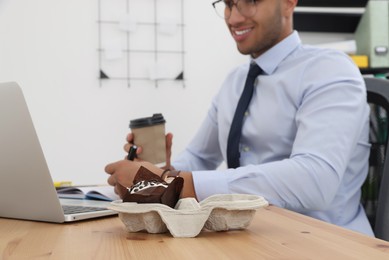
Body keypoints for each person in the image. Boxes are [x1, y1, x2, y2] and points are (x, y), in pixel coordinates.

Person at [105, 0, 374, 236]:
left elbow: (315, 180)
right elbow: (199, 158)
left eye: (251, 0)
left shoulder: (330, 70)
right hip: (250, 237)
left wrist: (176, 184)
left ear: (289, 2)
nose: (233, 18)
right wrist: (151, 174)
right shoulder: (234, 82)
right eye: (229, 3)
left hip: (327, 243)